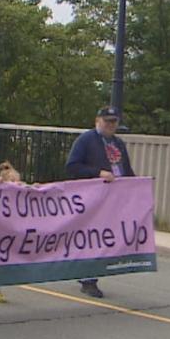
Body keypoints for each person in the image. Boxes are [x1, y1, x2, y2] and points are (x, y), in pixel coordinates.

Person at [65, 105, 134, 299]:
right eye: (107, 121)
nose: (111, 125)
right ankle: (89, 280)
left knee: (105, 236)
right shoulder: (86, 140)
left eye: (114, 122)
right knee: (93, 237)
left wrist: (138, 188)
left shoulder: (118, 144)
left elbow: (126, 170)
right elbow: (72, 166)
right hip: (92, 198)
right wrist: (98, 173)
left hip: (113, 198)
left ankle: (88, 272)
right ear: (97, 121)